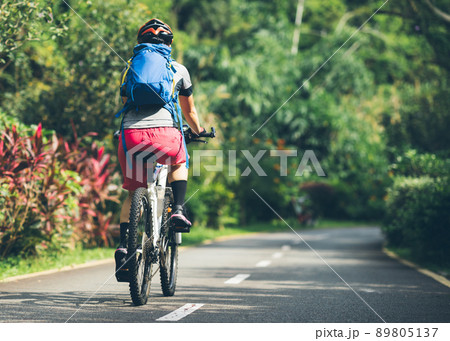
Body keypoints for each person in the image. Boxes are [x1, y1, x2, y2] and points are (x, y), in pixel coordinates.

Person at [115, 19, 204, 268]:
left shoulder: (131, 68)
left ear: (140, 43)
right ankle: (177, 209)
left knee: (134, 192)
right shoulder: (179, 69)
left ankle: (124, 246)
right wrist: (200, 131)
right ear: (170, 43)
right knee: (180, 158)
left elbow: (124, 101)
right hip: (166, 135)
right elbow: (190, 113)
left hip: (131, 135)